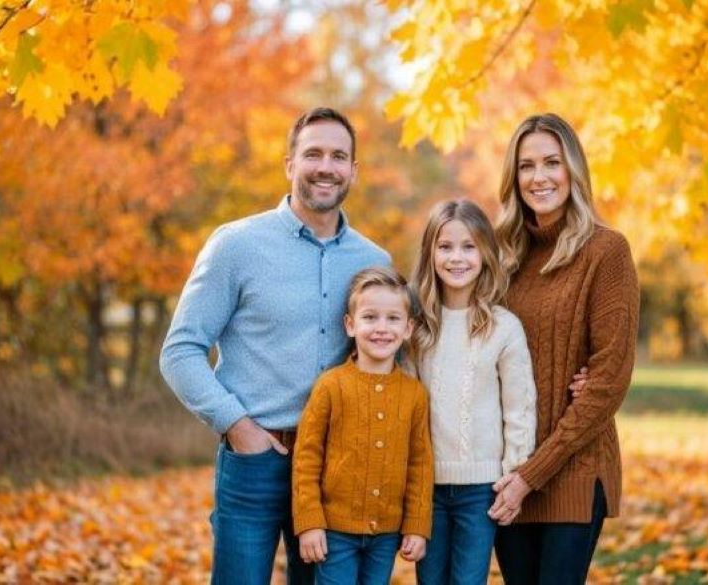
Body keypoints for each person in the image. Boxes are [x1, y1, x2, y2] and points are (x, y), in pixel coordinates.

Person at [159, 107, 390, 585]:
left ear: (353, 170)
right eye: (313, 154)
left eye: (338, 156)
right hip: (255, 461)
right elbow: (180, 351)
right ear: (290, 164)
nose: (326, 166)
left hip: (335, 467)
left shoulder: (374, 261)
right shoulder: (237, 245)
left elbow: (391, 355)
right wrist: (238, 427)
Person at [487, 113, 640, 584]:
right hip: (507, 467)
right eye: (526, 165)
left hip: (572, 467)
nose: (539, 177)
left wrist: (533, 474)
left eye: (552, 162)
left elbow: (607, 382)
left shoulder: (606, 251)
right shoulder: (501, 257)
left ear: (573, 169)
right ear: (513, 178)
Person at [406, 199, 537, 584]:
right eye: (445, 247)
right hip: (426, 488)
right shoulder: (416, 328)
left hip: (481, 490)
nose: (457, 258)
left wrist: (514, 476)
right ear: (430, 253)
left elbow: (519, 409)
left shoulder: (503, 327)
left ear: (485, 253)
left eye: (469, 246)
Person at [292, 266, 433, 585]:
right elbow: (306, 458)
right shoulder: (331, 386)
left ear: (409, 328)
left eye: (393, 318)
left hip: (386, 534)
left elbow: (420, 464)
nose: (382, 328)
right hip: (334, 531)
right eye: (370, 317)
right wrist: (310, 522)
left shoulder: (414, 394)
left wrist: (416, 525)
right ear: (350, 324)